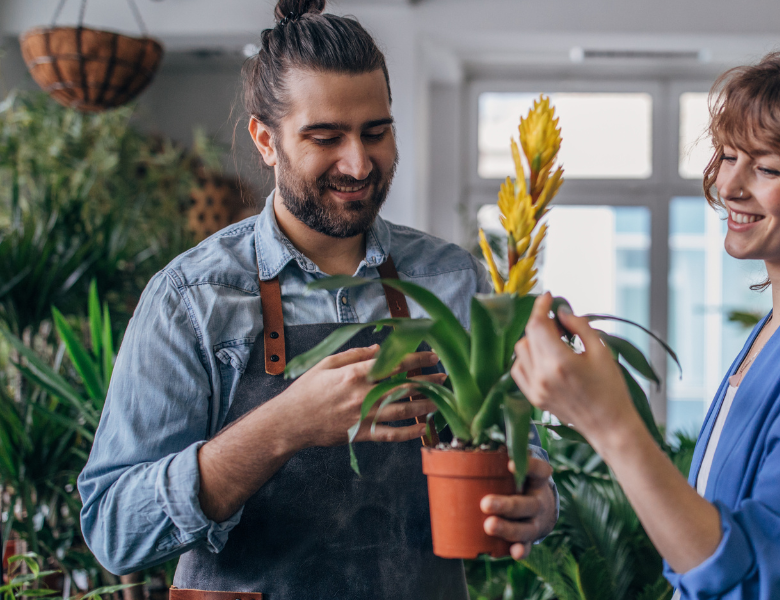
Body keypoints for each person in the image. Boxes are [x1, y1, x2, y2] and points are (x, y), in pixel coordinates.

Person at [77, 1, 556, 598]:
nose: (358, 163)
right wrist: (284, 426)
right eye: (326, 137)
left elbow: (520, 450)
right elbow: (114, 528)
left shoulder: (451, 278)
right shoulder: (192, 298)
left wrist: (536, 499)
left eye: (376, 132)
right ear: (265, 140)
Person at [511, 41, 780, 599]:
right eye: (729, 156)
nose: (730, 187)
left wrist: (610, 423)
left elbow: (751, 577)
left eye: (765, 168)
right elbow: (708, 540)